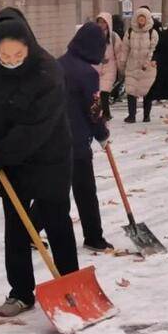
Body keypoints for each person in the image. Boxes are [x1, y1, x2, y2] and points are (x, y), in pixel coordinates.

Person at [0, 8, 79, 317]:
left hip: (49, 154)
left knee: (56, 219)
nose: (11, 61)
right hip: (8, 155)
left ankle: (71, 284)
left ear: (29, 44)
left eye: (18, 56)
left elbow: (36, 127)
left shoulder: (48, 72)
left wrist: (1, 154)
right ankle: (21, 292)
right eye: (5, 57)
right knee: (15, 224)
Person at [58, 22, 114, 250]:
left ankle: (27, 231)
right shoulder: (86, 73)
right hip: (77, 141)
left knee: (55, 192)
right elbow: (93, 110)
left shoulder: (58, 63)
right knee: (86, 191)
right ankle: (93, 236)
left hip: (55, 139)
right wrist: (102, 134)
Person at [119, 7, 159, 123]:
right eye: (139, 18)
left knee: (147, 91)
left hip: (147, 67)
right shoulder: (130, 32)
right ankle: (132, 115)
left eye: (143, 18)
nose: (141, 21)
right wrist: (123, 62)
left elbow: (154, 49)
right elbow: (125, 49)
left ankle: (146, 115)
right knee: (131, 90)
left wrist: (149, 61)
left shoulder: (153, 33)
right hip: (132, 65)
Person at [95, 12, 122, 121]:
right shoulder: (94, 35)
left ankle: (106, 113)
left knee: (104, 91)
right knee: (98, 92)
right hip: (97, 66)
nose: (101, 25)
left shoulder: (113, 37)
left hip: (110, 66)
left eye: (103, 22)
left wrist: (121, 68)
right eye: (99, 22)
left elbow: (119, 53)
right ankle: (99, 112)